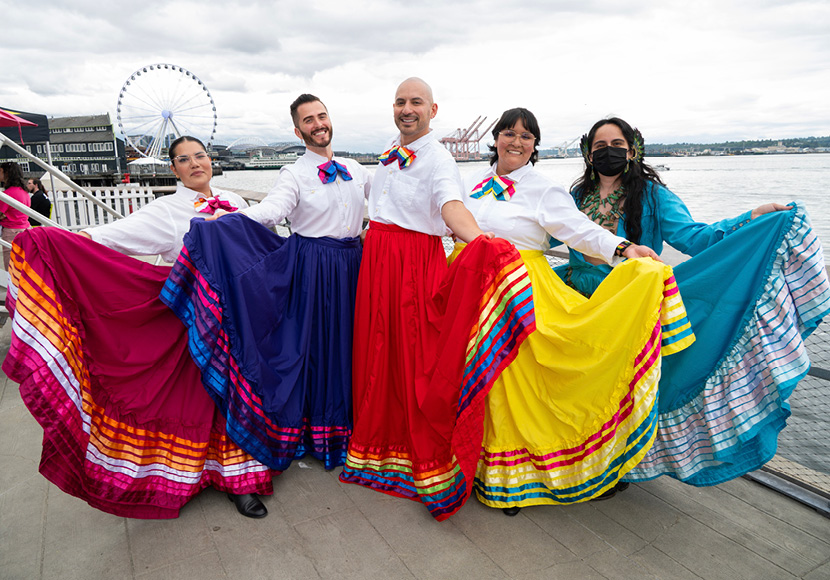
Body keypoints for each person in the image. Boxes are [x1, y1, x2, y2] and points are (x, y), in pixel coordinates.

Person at [3, 136, 273, 519]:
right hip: (194, 319)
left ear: (210, 159)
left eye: (200, 156)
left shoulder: (238, 202)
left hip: (242, 316)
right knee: (205, 399)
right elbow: (113, 237)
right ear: (174, 169)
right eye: (184, 159)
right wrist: (61, 240)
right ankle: (216, 477)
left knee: (241, 392)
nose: (195, 164)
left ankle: (241, 475)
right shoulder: (165, 211)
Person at [554, 117, 830, 487]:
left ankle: (613, 466)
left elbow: (694, 238)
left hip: (625, 305)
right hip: (574, 300)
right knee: (575, 383)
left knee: (618, 387)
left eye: (616, 144)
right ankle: (566, 456)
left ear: (632, 151)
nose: (608, 152)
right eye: (600, 146)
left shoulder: (652, 195)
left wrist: (751, 218)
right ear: (589, 154)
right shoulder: (573, 198)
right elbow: (545, 233)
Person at [453, 108, 696, 516]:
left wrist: (623, 249)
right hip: (468, 287)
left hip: (515, 293)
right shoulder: (469, 183)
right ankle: (473, 461)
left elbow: (580, 230)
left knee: (513, 387)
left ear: (534, 147)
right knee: (477, 380)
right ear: (495, 138)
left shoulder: (545, 190)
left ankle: (512, 480)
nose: (516, 141)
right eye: (509, 133)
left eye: (526, 137)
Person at [339, 79, 547, 521]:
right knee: (378, 353)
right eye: (400, 101)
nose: (407, 109)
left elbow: (452, 207)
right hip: (377, 261)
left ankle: (422, 458)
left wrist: (480, 242)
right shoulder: (388, 154)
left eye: (416, 102)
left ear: (433, 109)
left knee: (416, 359)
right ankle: (374, 448)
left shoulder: (439, 158)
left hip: (413, 264)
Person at [162, 95, 370, 477]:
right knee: (320, 350)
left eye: (322, 115)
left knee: (354, 344)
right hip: (315, 269)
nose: (317, 123)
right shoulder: (293, 174)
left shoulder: (358, 169)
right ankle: (321, 435)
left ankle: (356, 427)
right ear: (298, 130)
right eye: (308, 120)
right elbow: (271, 211)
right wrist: (225, 223)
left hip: (355, 264)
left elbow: (390, 204)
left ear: (330, 119)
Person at [0, 161, 32, 269]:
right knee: (25, 264)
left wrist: (4, 215)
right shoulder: (24, 192)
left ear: (7, 174)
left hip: (11, 231)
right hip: (26, 229)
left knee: (10, 265)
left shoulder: (7, 195)